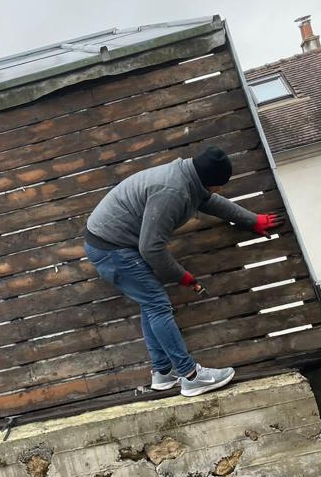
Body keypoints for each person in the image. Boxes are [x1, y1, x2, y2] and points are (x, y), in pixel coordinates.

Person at [84, 145, 283, 397]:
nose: (220, 189)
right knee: (157, 304)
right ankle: (190, 376)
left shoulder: (186, 177)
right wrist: (183, 277)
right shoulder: (173, 191)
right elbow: (151, 249)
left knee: (151, 303)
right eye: (218, 185)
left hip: (115, 245)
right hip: (111, 249)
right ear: (208, 181)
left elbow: (209, 201)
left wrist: (250, 219)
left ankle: (163, 372)